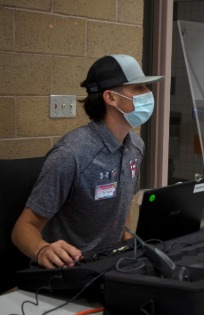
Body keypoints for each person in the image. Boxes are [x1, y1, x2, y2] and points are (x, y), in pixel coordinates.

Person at [12, 54, 163, 269]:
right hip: (70, 272)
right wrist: (42, 250)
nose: (149, 94)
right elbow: (22, 228)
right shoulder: (71, 154)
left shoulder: (135, 146)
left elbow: (123, 206)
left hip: (111, 265)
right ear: (111, 98)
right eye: (138, 88)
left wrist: (129, 252)